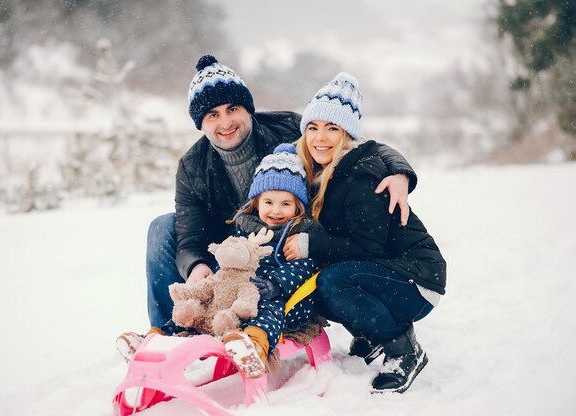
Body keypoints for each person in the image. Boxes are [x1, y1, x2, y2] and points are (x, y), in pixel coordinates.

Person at [116, 55, 418, 358]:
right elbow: (188, 232)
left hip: (289, 242)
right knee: (162, 226)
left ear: (248, 108)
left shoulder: (285, 128)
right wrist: (196, 265)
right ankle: (166, 333)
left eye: (232, 109)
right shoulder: (192, 166)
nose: (225, 122)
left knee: (338, 229)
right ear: (200, 123)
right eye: (212, 115)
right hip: (230, 250)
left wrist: (398, 171)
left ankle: (366, 322)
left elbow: (352, 142)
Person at [284, 72, 447, 393]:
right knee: (311, 282)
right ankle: (371, 335)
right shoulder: (321, 172)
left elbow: (366, 246)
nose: (321, 137)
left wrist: (310, 244)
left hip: (418, 281)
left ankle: (403, 350)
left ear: (347, 136)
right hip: (388, 273)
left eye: (333, 128)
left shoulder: (360, 175)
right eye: (313, 127)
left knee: (333, 280)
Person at [221, 143, 323, 378]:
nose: (276, 210)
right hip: (243, 291)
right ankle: (165, 335)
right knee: (209, 297)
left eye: (285, 204)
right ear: (256, 202)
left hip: (288, 298)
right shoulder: (246, 226)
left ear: (297, 205)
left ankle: (255, 346)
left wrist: (276, 284)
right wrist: (223, 277)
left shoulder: (300, 232)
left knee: (267, 305)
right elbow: (230, 257)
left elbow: (306, 267)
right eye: (268, 202)